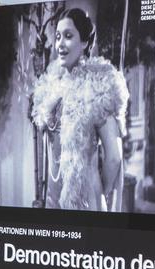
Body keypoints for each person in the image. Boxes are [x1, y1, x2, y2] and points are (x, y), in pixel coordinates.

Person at [31, 8, 128, 212]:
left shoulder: (98, 86)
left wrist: (97, 192)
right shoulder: (52, 88)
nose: (60, 44)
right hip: (53, 201)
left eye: (68, 36)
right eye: (58, 37)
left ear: (84, 42)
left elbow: (114, 157)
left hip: (85, 204)